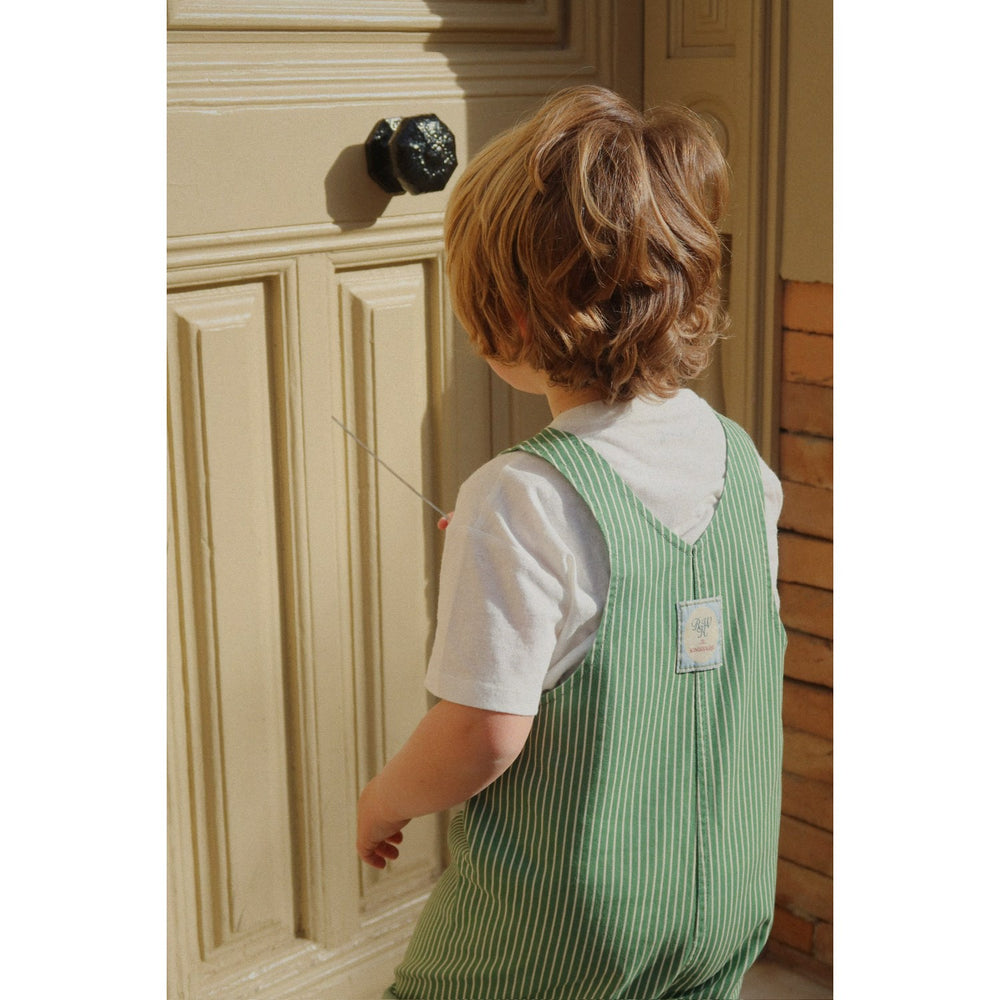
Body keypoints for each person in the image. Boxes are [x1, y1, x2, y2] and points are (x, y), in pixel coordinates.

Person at [356, 84, 786, 1000]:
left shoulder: (518, 498)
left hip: (561, 931)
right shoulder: (742, 464)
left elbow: (482, 734)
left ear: (509, 319)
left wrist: (384, 798)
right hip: (727, 894)